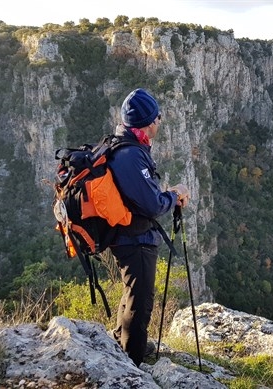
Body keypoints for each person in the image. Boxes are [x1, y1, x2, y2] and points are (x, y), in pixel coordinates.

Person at [108, 88, 189, 366]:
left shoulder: (126, 146)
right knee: (140, 305)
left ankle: (120, 345)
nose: (160, 121)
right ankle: (131, 365)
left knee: (132, 293)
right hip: (135, 239)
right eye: (157, 117)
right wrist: (174, 195)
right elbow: (153, 205)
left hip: (127, 235)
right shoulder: (131, 155)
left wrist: (166, 195)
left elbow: (141, 194)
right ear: (147, 122)